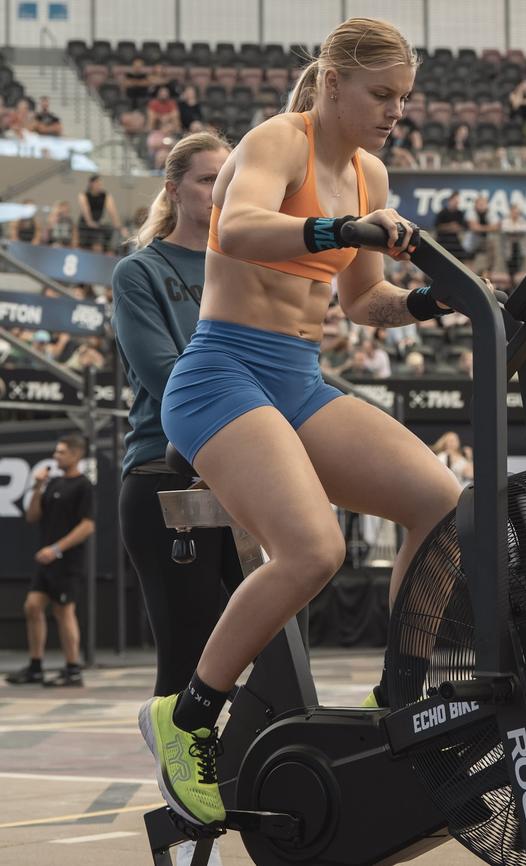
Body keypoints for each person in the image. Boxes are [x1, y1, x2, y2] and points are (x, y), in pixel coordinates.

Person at [138, 17, 461, 828]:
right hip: (219, 374)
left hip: (298, 378)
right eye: (380, 94)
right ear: (332, 83)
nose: (394, 110)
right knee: (315, 549)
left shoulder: (370, 174)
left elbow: (361, 302)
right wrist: (340, 228)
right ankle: (184, 718)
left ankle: (399, 699)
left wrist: (427, 302)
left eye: (403, 99)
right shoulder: (279, 139)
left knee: (439, 500)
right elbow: (240, 228)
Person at [112, 131, 236, 866]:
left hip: (242, 479)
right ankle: (190, 840)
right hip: (167, 481)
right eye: (206, 181)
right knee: (186, 660)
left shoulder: (242, 265)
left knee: (266, 647)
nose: (219, 193)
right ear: (176, 190)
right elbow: (167, 374)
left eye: (229, 181)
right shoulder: (143, 271)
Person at [6, 434, 94, 687]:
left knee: (63, 611)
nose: (56, 456)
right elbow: (32, 516)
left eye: (62, 452)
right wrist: (36, 487)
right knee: (32, 606)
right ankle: (35, 667)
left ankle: (72, 669)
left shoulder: (83, 486)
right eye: (56, 452)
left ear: (76, 455)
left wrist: (56, 549)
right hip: (46, 562)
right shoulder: (53, 484)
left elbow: (87, 526)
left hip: (67, 561)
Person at [77, 175, 127, 251]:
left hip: (97, 225)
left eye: (100, 184)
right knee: (84, 246)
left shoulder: (105, 195)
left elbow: (112, 212)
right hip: (85, 225)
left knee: (100, 242)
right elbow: (85, 210)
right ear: (91, 184)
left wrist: (119, 226)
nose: (99, 186)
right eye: (97, 183)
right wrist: (90, 222)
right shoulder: (83, 195)